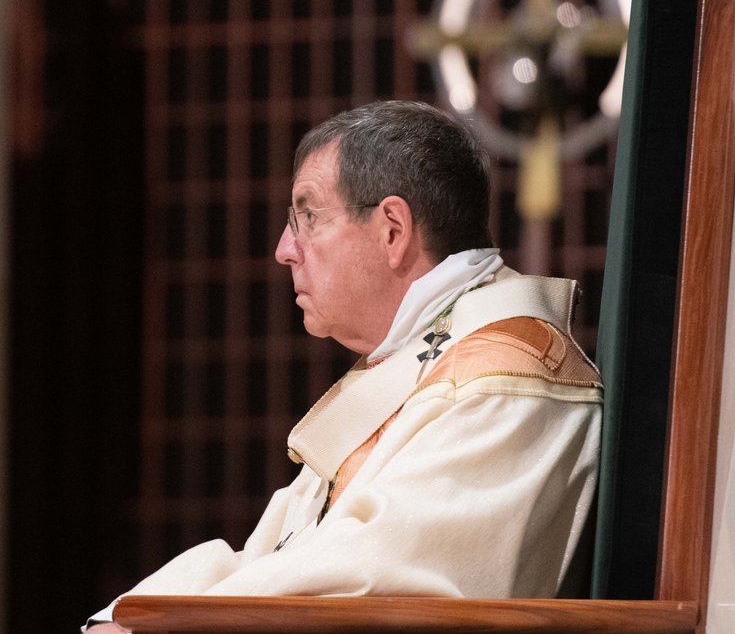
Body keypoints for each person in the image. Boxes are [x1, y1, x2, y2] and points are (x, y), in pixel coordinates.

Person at [86, 101, 602, 631]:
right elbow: (271, 560)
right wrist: (121, 619)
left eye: (308, 216)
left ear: (393, 230)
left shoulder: (503, 380)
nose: (285, 249)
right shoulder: (418, 363)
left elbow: (364, 584)